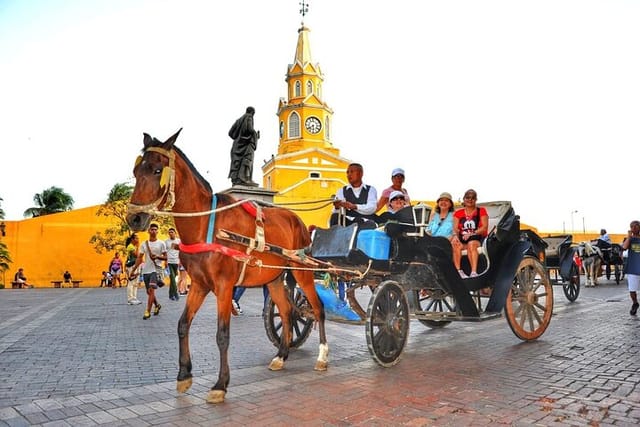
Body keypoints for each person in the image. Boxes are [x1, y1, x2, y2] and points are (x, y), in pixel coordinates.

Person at [131, 223, 167, 320]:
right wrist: (133, 270)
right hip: (146, 270)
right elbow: (139, 258)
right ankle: (157, 305)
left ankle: (147, 311)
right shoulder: (144, 244)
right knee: (149, 292)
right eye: (152, 229)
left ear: (157, 231)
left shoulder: (161, 243)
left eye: (155, 229)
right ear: (148, 231)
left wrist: (158, 257)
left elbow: (166, 257)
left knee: (151, 289)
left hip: (156, 270)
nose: (154, 231)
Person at [452, 189, 489, 278]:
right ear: (464, 199)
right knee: (455, 244)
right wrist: (455, 236)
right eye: (468, 197)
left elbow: (484, 227)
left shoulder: (481, 211)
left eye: (473, 198)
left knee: (471, 244)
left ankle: (474, 272)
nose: (470, 200)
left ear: (476, 200)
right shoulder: (458, 213)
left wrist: (471, 233)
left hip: (477, 238)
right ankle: (459, 271)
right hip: (463, 238)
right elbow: (455, 228)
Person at [330, 163, 379, 227]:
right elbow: (336, 212)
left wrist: (354, 206)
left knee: (370, 224)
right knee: (335, 217)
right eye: (347, 172)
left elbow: (372, 208)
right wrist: (337, 207)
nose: (349, 175)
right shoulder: (341, 190)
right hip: (348, 222)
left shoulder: (371, 189)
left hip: (365, 222)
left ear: (361, 173)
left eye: (352, 172)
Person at [228, 106, 260, 186]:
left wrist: (238, 138)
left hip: (236, 145)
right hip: (247, 145)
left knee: (236, 163)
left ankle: (236, 179)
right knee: (247, 160)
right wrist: (255, 134)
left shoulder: (238, 120)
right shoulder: (249, 117)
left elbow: (230, 133)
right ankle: (245, 179)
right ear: (252, 113)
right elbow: (249, 129)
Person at [622, 220, 640, 315]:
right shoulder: (630, 239)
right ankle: (635, 303)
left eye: (636, 226)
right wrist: (629, 237)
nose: (634, 228)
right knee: (632, 290)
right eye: (632, 226)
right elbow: (624, 247)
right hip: (633, 268)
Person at [125, 233, 142, 305]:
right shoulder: (130, 246)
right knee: (131, 282)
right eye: (136, 238)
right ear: (132, 239)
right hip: (131, 265)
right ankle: (130, 299)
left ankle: (134, 298)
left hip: (136, 265)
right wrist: (138, 247)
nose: (138, 240)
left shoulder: (134, 246)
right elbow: (137, 255)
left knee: (135, 283)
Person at [165, 227, 181, 301]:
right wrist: (165, 261)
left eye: (172, 232)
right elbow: (164, 252)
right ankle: (175, 294)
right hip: (169, 262)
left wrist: (181, 261)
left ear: (175, 233)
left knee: (173, 279)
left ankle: (170, 294)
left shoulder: (178, 241)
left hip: (176, 262)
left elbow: (181, 251)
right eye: (169, 232)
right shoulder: (166, 242)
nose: (171, 233)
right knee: (172, 278)